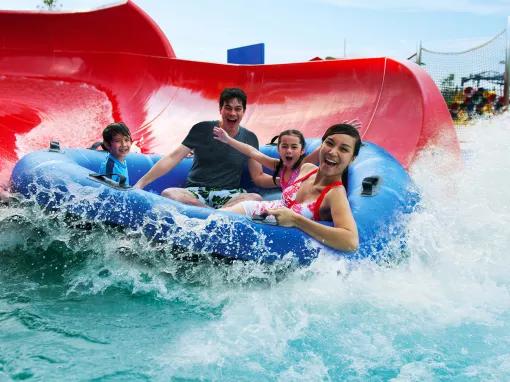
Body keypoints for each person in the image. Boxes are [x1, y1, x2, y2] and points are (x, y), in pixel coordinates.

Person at [221, 123, 360, 252]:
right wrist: (228, 139)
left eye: (343, 149)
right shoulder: (306, 169)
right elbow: (253, 153)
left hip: (272, 235)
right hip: (257, 210)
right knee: (210, 220)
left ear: (352, 158)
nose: (333, 152)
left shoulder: (335, 193)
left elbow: (351, 242)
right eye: (329, 143)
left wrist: (296, 220)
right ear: (321, 146)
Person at [133, 88, 272, 208]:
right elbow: (173, 157)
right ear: (220, 109)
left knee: (255, 198)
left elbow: (258, 176)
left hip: (229, 195)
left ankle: (215, 212)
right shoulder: (202, 129)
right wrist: (140, 183)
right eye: (228, 108)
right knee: (168, 193)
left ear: (244, 111)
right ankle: (212, 213)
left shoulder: (249, 138)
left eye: (238, 109)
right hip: (196, 192)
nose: (232, 113)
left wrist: (285, 181)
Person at [213, 119, 362, 190]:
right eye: (284, 146)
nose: (289, 151)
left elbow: (325, 146)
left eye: (293, 147)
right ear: (278, 149)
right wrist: (228, 140)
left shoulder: (304, 165)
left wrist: (339, 130)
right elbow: (252, 151)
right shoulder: (278, 166)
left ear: (301, 150)